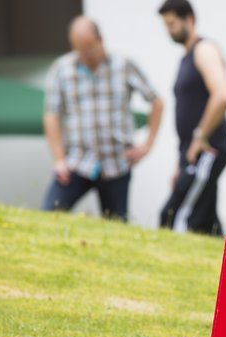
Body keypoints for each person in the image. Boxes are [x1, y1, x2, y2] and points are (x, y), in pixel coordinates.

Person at [42, 16, 163, 221]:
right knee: (49, 214)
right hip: (77, 161)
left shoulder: (124, 65)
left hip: (116, 163)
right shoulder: (62, 69)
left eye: (89, 47)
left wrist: (148, 145)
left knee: (116, 227)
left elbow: (157, 102)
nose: (85, 55)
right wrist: (59, 159)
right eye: (79, 49)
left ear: (101, 40)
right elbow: (51, 115)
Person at [157, 0, 226, 235]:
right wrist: (181, 163)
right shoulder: (186, 58)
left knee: (175, 216)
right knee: (206, 220)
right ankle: (225, 263)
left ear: (188, 19)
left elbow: (221, 95)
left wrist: (199, 138)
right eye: (165, 25)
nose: (168, 30)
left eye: (171, 24)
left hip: (207, 150)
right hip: (192, 153)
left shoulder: (204, 49)